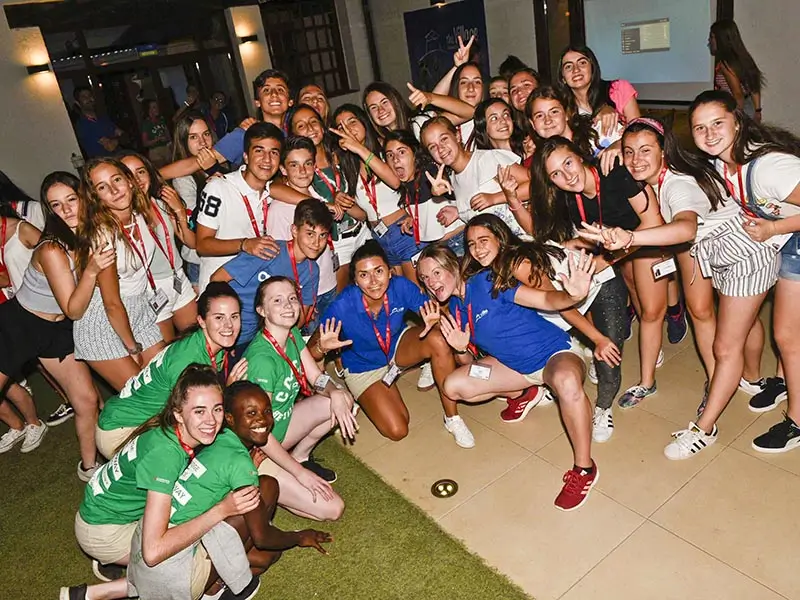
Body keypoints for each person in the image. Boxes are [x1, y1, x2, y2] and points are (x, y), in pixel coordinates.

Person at [579, 116, 764, 414]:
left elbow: (686, 227)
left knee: (711, 316)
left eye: (646, 151)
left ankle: (724, 381)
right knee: (671, 312)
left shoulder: (677, 183)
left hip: (735, 249)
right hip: (698, 245)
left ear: (663, 151)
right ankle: (648, 381)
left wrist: (629, 238)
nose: (636, 160)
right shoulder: (649, 178)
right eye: (629, 151)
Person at [416, 242, 600, 511]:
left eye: (436, 272)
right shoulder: (454, 309)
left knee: (566, 381)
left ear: (454, 267)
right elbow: (471, 363)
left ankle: (584, 469)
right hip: (516, 369)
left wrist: (572, 296)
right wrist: (461, 349)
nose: (431, 282)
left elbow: (545, 299)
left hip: (553, 355)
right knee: (453, 385)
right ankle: (526, 393)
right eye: (425, 278)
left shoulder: (487, 281)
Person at [59, 364, 261, 600]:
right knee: (194, 539)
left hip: (101, 514)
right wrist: (221, 510)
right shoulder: (165, 456)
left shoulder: (170, 430)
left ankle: (93, 591)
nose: (211, 420)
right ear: (178, 413)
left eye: (216, 409)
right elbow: (153, 552)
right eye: (199, 411)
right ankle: (112, 583)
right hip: (106, 532)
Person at [678, 90, 800, 457]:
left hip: (792, 238)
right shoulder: (722, 163)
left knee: (788, 335)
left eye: (717, 123)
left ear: (737, 120)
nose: (709, 134)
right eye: (700, 128)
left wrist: (773, 230)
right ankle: (781, 382)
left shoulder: (768, 167)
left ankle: (797, 421)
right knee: (782, 331)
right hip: (783, 236)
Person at [531, 136, 669, 409]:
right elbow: (597, 231)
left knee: (651, 313)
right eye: (556, 174)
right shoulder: (573, 199)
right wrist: (570, 245)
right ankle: (642, 351)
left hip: (650, 237)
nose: (567, 176)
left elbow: (654, 222)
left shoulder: (614, 173)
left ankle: (647, 381)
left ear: (579, 156)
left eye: (568, 163)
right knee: (632, 295)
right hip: (621, 246)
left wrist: (605, 260)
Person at [461, 214, 623, 434]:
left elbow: (560, 303)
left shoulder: (518, 264)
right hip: (567, 294)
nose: (477, 249)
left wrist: (597, 339)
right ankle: (541, 383)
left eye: (483, 240)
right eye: (471, 244)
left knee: (608, 352)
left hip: (595, 287)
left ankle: (604, 407)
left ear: (499, 238)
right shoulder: (491, 266)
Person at [0, 172, 113, 479]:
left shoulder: (91, 235)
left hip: (56, 331)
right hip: (18, 325)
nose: (66, 211)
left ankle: (90, 467)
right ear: (49, 211)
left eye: (72, 200)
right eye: (56, 205)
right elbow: (73, 308)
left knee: (87, 400)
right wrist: (90, 272)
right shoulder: (52, 248)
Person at [307, 241, 474, 447]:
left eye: (378, 271)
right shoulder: (342, 306)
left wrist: (435, 322)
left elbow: (436, 314)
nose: (373, 281)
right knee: (398, 430)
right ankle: (360, 395)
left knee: (438, 339)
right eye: (363, 275)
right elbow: (309, 354)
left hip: (397, 347)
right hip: (364, 368)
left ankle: (452, 419)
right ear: (356, 281)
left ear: (389, 272)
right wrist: (322, 349)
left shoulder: (400, 286)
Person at [242, 276, 355, 519]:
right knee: (333, 509)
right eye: (278, 300)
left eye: (292, 298)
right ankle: (267, 481)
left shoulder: (291, 333)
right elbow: (258, 433)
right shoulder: (262, 360)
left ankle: (299, 457)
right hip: (257, 447)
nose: (288, 306)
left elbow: (316, 377)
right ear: (262, 311)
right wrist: (300, 475)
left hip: (280, 429)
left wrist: (334, 392)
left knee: (342, 400)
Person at [96, 282, 243, 460]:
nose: (229, 325)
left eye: (234, 316)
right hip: (121, 431)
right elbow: (190, 421)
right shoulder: (188, 360)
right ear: (201, 321)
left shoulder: (205, 344)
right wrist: (226, 393)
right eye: (219, 318)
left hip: (135, 422)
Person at [72, 158, 165, 390]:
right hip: (103, 322)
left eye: (117, 180)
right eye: (102, 187)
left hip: (138, 310)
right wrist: (132, 347)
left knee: (169, 380)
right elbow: (111, 303)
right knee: (146, 397)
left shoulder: (139, 214)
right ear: (95, 197)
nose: (114, 191)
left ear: (130, 182)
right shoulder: (104, 235)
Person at [270, 106, 368, 293]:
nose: (309, 127)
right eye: (301, 125)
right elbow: (273, 188)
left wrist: (346, 204)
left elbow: (363, 210)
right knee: (341, 299)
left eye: (313, 121)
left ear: (323, 126)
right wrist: (323, 205)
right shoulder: (300, 172)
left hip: (362, 233)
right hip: (336, 243)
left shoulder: (341, 154)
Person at [211, 198, 329, 351]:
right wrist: (227, 328)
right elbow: (217, 279)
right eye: (310, 234)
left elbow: (302, 316)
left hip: (265, 337)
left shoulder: (312, 271)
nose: (316, 243)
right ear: (294, 230)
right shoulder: (269, 250)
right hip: (232, 330)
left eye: (323, 235)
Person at [195, 122, 281, 292]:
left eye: (274, 153)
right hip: (220, 291)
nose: (267, 159)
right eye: (259, 151)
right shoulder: (218, 188)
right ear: (246, 157)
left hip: (256, 288)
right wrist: (244, 244)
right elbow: (202, 245)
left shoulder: (274, 192)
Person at [120, 151, 197, 342]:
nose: (136, 179)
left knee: (197, 341)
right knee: (167, 352)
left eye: (141, 172)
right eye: (128, 175)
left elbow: (192, 243)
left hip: (178, 278)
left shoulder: (160, 204)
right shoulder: (121, 218)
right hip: (150, 289)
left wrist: (179, 210)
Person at [420, 116, 530, 237]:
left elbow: (536, 185)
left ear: (457, 136)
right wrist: (459, 213)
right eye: (432, 147)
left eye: (444, 139)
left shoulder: (488, 159)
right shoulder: (453, 180)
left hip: (529, 238)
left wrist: (494, 198)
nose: (440, 148)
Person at [383, 129, 464, 256]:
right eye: (390, 155)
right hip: (439, 248)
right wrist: (414, 220)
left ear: (414, 154)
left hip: (458, 240)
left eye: (402, 152)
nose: (396, 160)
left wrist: (435, 191)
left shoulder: (428, 171)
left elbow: (436, 187)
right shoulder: (403, 186)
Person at [169, 110, 221, 288]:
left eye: (206, 134)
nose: (202, 142)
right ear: (183, 142)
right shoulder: (183, 178)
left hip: (224, 251)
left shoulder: (219, 162)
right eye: (193, 137)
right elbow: (193, 224)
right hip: (200, 260)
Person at [556, 45, 641, 136]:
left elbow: (638, 132)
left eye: (582, 63)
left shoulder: (619, 89)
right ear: (563, 78)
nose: (576, 70)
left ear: (592, 69)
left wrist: (619, 143)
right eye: (568, 66)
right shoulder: (561, 109)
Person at [709, 19, 765, 120]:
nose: (709, 40)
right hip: (749, 107)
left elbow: (738, 94)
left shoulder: (726, 63)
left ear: (721, 39)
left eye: (712, 37)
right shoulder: (742, 57)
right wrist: (757, 110)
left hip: (739, 109)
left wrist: (737, 117)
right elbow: (754, 85)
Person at [73, 85, 125, 158]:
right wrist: (116, 138)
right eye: (84, 97)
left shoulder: (103, 119)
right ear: (78, 103)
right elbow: (110, 147)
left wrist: (115, 140)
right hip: (104, 164)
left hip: (120, 158)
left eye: (90, 95)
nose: (89, 99)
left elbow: (124, 137)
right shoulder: (83, 125)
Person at [140, 99, 171, 168]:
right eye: (154, 107)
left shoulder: (161, 120)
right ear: (149, 110)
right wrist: (157, 139)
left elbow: (168, 135)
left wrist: (166, 139)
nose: (157, 109)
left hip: (166, 148)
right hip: (155, 151)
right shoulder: (146, 124)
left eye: (157, 107)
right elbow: (145, 143)